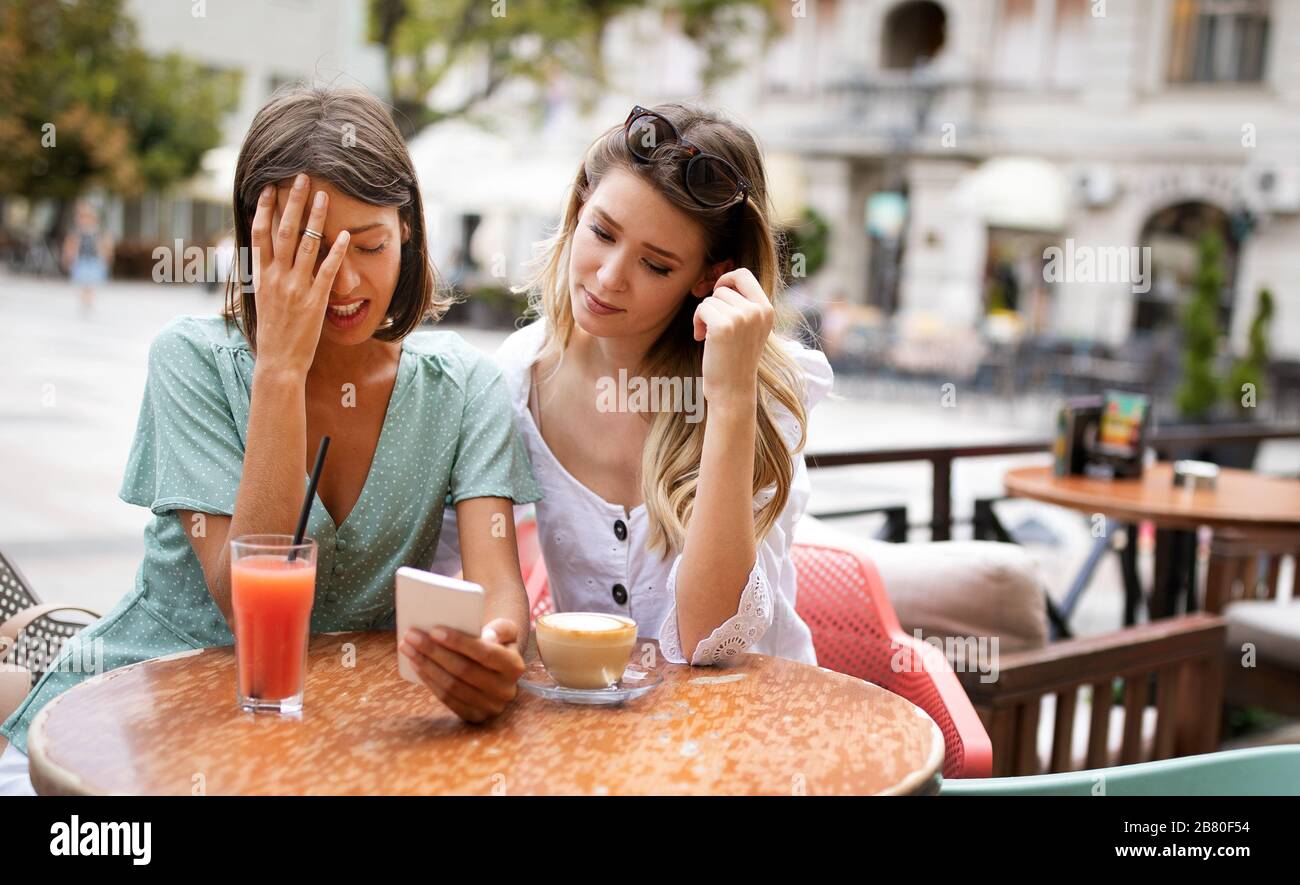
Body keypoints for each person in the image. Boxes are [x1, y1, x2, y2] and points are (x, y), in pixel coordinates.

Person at [0, 85, 541, 793]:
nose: (344, 282)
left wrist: (497, 649)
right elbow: (244, 602)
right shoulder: (191, 361)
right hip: (134, 729)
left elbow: (498, 583)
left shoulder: (462, 387)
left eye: (370, 245)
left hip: (327, 743)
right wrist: (281, 370)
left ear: (408, 230)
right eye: (307, 251)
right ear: (255, 247)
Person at [439, 103, 833, 666]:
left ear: (708, 278)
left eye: (656, 265)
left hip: (748, 730)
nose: (608, 277)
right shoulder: (519, 378)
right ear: (578, 207)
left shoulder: (761, 390)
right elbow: (445, 557)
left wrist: (730, 398)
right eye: (602, 232)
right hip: (597, 728)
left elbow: (710, 641)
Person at [62, 201, 113, 313]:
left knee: (91, 281)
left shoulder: (98, 232)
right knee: (83, 281)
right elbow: (70, 244)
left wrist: (106, 255)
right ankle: (85, 300)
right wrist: (68, 256)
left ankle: (88, 300)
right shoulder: (76, 232)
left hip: (94, 261)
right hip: (81, 260)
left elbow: (105, 244)